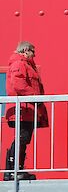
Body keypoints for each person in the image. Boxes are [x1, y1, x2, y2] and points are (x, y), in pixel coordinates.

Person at [4, 41, 48, 181]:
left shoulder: (25, 64)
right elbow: (18, 84)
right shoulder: (19, 64)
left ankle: (17, 169)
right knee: (22, 138)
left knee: (23, 139)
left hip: (26, 109)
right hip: (22, 109)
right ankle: (12, 170)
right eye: (33, 52)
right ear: (26, 50)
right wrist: (35, 97)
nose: (34, 55)